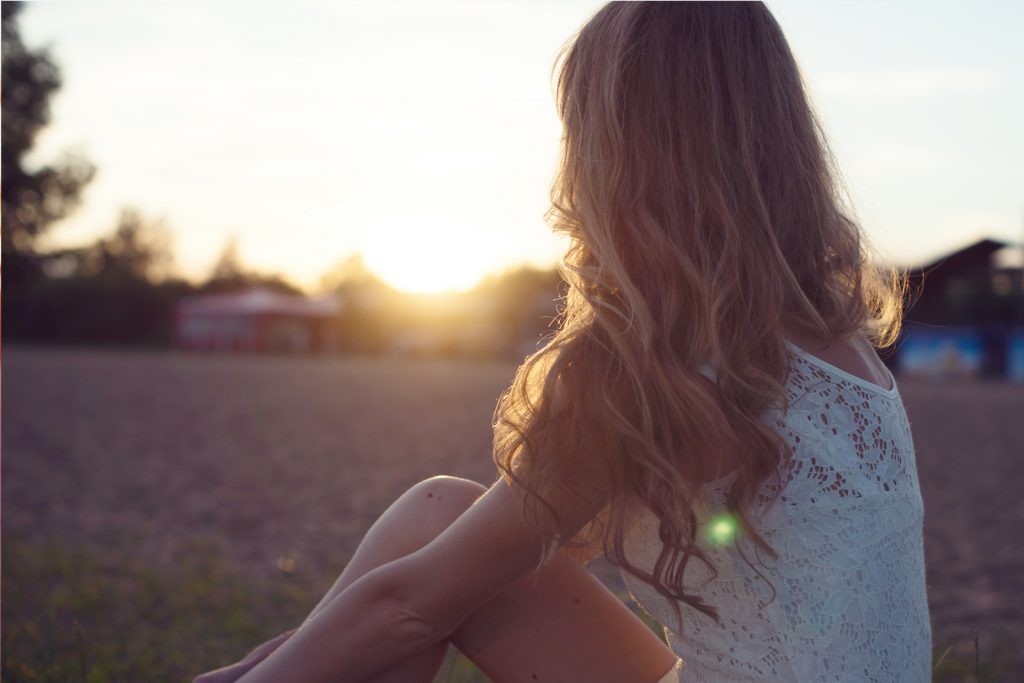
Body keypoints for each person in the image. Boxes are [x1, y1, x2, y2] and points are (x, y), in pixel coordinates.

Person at [194, 2, 931, 682]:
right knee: (442, 528)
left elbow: (411, 605)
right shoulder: (842, 348)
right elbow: (504, 557)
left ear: (617, 157)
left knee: (426, 544)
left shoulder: (657, 368)